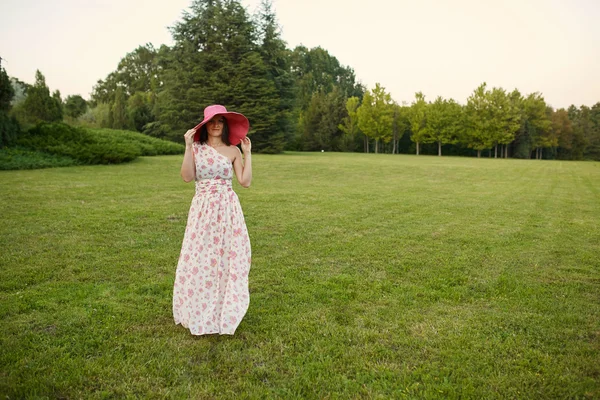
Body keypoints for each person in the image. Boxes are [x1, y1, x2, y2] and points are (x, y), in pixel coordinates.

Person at [173, 104, 252, 335]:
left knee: (227, 256)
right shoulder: (197, 148)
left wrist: (247, 153)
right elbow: (187, 177)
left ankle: (223, 310)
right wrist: (188, 147)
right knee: (201, 256)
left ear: (224, 125)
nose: (216, 124)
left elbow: (245, 182)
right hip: (203, 210)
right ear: (205, 125)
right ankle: (197, 308)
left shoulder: (233, 150)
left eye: (220, 120)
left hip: (228, 210)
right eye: (212, 120)